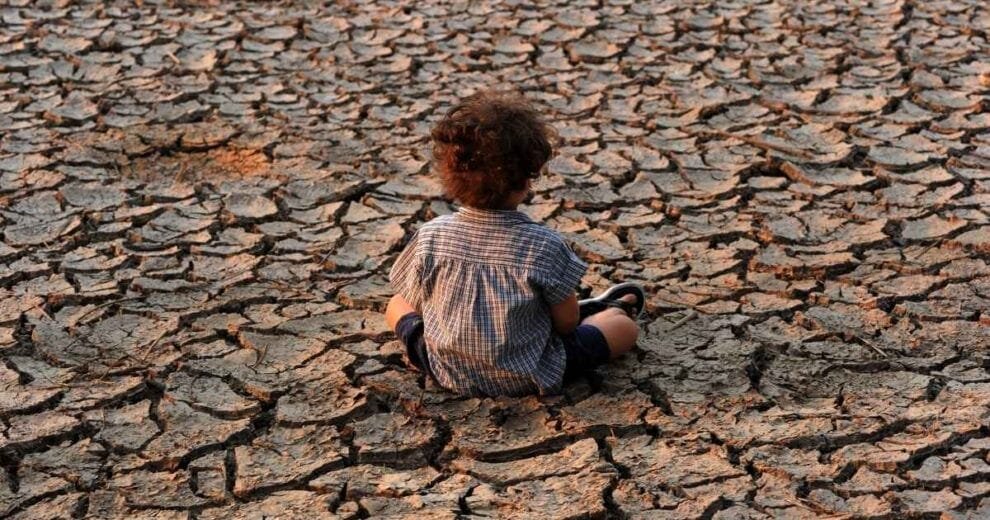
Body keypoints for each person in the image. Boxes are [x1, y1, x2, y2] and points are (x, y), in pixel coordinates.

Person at [383, 90, 643, 397]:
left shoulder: (431, 236)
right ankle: (603, 309)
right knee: (622, 327)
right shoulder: (544, 246)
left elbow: (415, 302)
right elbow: (567, 324)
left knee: (395, 304)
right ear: (526, 179)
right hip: (529, 373)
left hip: (446, 369)